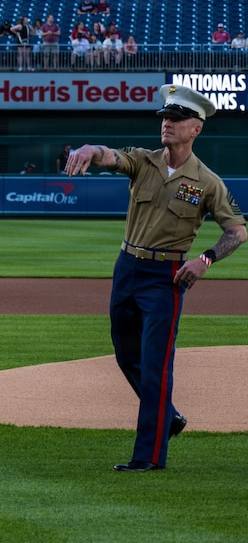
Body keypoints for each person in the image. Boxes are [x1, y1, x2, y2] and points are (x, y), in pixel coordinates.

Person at [65, 85, 245, 471]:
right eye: (165, 117)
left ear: (195, 128)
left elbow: (237, 231)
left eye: (177, 119)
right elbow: (109, 156)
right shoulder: (143, 161)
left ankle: (148, 457)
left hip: (167, 277)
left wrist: (205, 260)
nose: (167, 123)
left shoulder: (207, 182)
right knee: (126, 353)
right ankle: (170, 416)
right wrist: (88, 151)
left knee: (157, 364)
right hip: (127, 266)